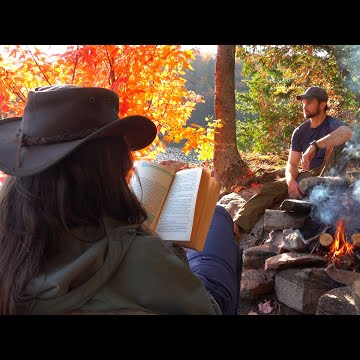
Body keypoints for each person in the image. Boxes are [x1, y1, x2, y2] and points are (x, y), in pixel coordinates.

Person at [0, 84, 242, 315]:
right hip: (186, 293)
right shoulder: (143, 256)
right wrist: (168, 251)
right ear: (108, 171)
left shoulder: (10, 250)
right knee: (218, 219)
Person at [233, 86, 353, 237]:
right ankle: (238, 225)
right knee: (269, 189)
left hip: (329, 173)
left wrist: (315, 146)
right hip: (306, 176)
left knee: (334, 146)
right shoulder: (300, 132)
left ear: (322, 105)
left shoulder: (332, 124)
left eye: (309, 102)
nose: (304, 106)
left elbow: (347, 133)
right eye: (303, 102)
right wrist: (290, 182)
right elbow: (291, 164)